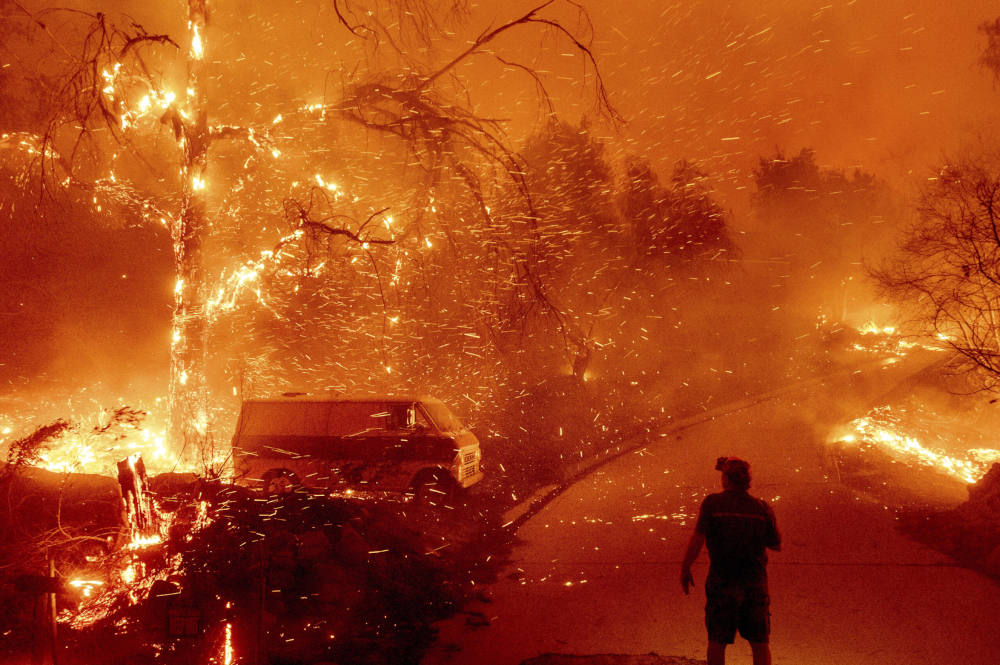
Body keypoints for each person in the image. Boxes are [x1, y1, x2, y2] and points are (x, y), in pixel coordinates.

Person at [680, 456, 781, 665]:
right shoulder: (762, 508)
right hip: (755, 582)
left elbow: (697, 539)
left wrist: (685, 567)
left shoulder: (712, 504)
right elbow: (775, 543)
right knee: (760, 642)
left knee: (717, 640)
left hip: (722, 582)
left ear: (726, 479)